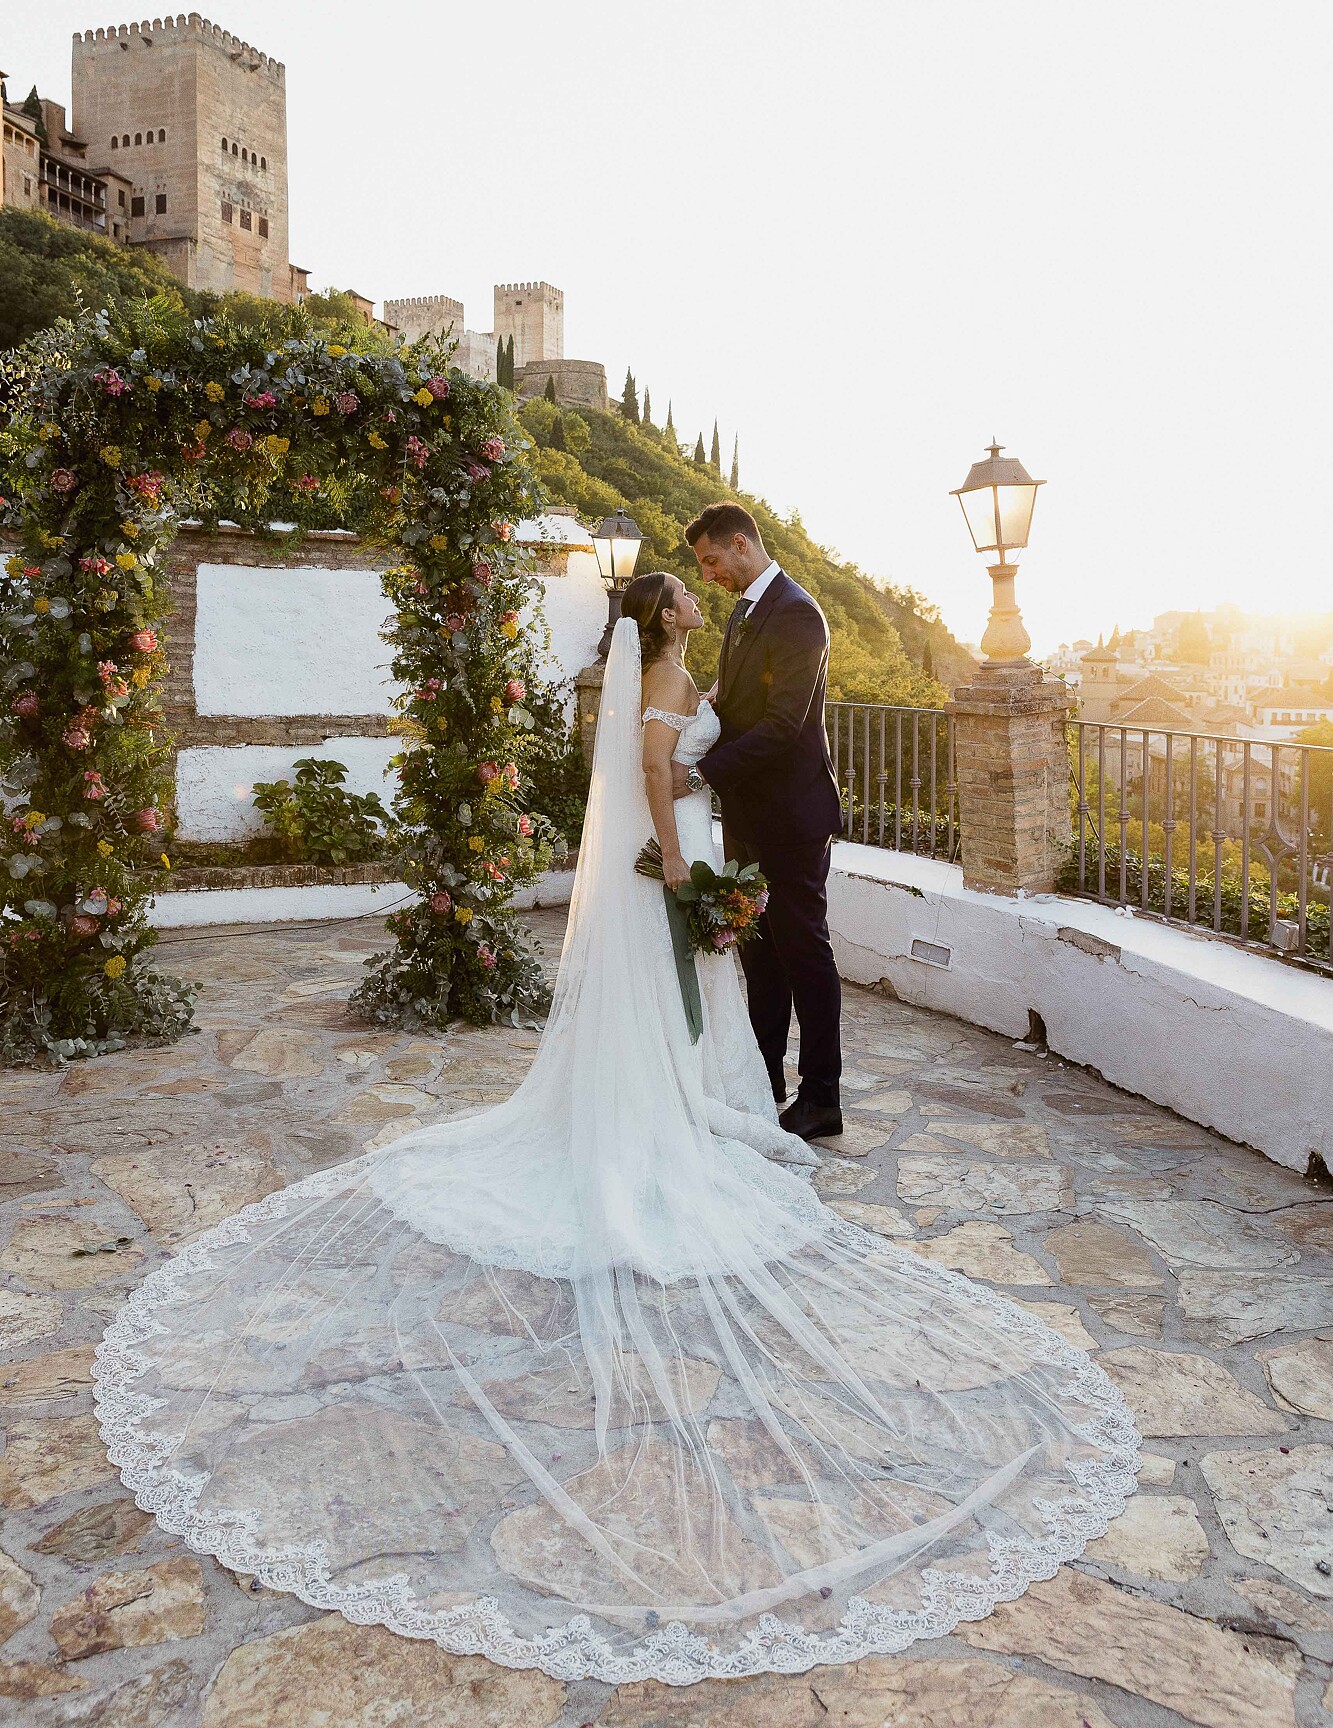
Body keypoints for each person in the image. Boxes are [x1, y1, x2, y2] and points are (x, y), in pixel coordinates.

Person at [93, 589, 1138, 1689]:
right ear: (663, 615)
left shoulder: (679, 669)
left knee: (699, 986)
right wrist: (683, 864)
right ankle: (692, 1101)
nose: (693, 590)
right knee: (691, 981)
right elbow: (654, 767)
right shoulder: (674, 679)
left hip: (684, 833)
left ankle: (707, 1093)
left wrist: (691, 820)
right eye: (680, 589)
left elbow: (682, 759)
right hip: (673, 846)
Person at [685, 502, 845, 1141]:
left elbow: (784, 726)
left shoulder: (799, 613)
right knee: (761, 953)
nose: (709, 574)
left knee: (804, 951)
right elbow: (749, 704)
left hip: (793, 814)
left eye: (712, 560)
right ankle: (766, 1081)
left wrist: (700, 773)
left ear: (742, 546)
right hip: (750, 813)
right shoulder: (743, 611)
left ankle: (822, 1097)